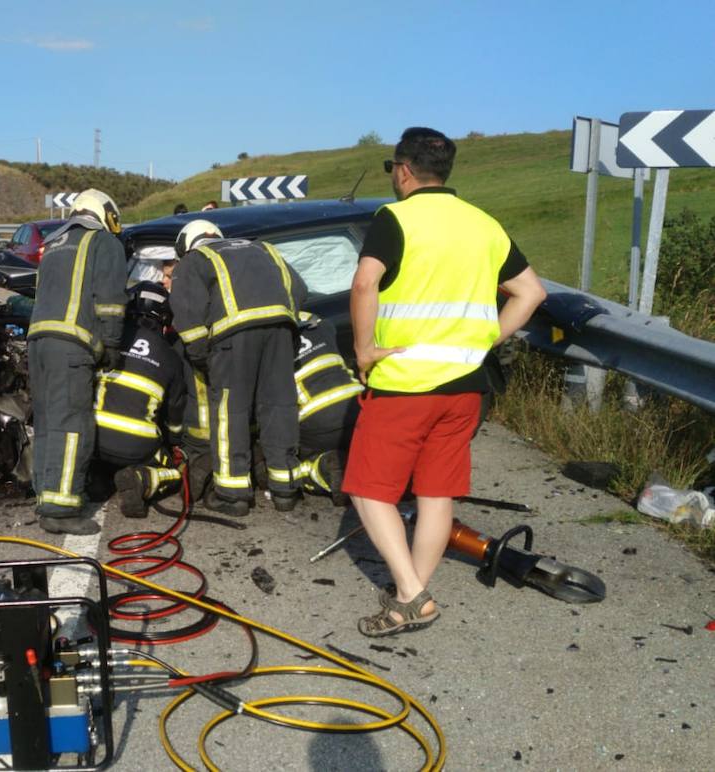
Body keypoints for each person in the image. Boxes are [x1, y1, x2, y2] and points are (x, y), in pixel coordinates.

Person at [344, 127, 547, 637]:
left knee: (369, 490)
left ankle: (412, 594)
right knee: (436, 492)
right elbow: (531, 293)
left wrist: (364, 348)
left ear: (404, 171)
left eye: (393, 167)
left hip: (404, 382)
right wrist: (486, 340)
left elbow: (366, 282)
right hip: (464, 385)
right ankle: (409, 597)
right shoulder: (483, 224)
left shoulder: (396, 218)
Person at [171, 219, 306, 518]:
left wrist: (203, 358)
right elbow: (298, 287)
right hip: (280, 329)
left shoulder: (195, 260)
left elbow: (187, 316)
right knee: (279, 406)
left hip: (233, 339)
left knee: (230, 411)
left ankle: (233, 495)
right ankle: (285, 488)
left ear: (186, 245)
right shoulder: (264, 249)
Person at [28, 188, 129, 535]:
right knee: (72, 424)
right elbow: (112, 301)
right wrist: (112, 344)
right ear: (105, 212)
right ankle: (61, 509)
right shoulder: (103, 242)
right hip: (71, 345)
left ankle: (45, 495)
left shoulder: (54, 244)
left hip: (38, 342)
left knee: (46, 421)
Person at [94, 283, 188, 517]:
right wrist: (175, 441)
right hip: (137, 447)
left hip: (93, 439)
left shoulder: (108, 341)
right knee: (174, 470)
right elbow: (175, 412)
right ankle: (141, 479)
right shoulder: (170, 356)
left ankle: (96, 477)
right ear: (164, 318)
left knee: (100, 461)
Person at [289, 312, 362, 503]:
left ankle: (322, 468)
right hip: (356, 406)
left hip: (316, 420)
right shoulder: (314, 319)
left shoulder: (266, 335)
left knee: (284, 466)